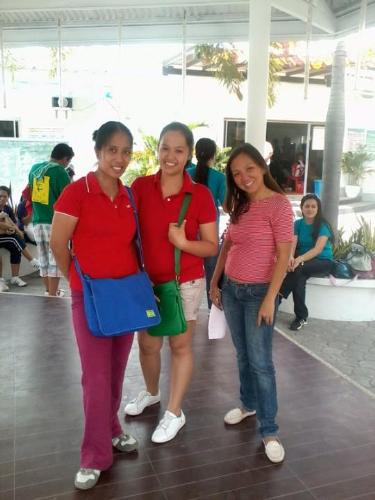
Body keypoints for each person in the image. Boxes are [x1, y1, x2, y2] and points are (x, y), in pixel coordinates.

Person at [50, 121, 139, 490]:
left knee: (117, 371)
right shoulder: (76, 192)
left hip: (127, 296)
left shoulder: (129, 195)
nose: (119, 159)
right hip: (89, 298)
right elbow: (58, 244)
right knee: (96, 377)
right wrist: (79, 281)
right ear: (98, 151)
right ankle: (93, 455)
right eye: (112, 150)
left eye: (125, 152)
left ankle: (113, 427)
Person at [124, 122, 218, 443]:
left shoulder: (201, 195)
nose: (170, 156)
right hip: (147, 283)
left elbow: (211, 245)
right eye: (165, 148)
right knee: (148, 345)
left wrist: (184, 243)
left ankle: (175, 412)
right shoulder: (140, 187)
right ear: (158, 149)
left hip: (185, 282)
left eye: (179, 150)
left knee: (179, 346)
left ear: (189, 154)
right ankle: (151, 393)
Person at [209, 143, 293, 464]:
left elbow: (284, 255)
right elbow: (228, 244)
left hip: (260, 293)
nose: (244, 177)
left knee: (261, 362)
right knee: (243, 355)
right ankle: (248, 404)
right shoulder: (240, 205)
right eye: (236, 173)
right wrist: (215, 281)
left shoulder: (279, 205)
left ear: (262, 167)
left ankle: (269, 429)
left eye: (249, 169)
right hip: (232, 290)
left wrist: (270, 298)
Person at [279, 193, 334, 331]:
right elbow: (293, 242)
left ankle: (277, 296)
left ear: (318, 208)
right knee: (298, 280)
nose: (310, 209)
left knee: (299, 270)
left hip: (323, 262)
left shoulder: (323, 226)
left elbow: (317, 250)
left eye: (313, 206)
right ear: (302, 208)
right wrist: (291, 257)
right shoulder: (297, 224)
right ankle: (301, 317)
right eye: (307, 206)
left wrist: (298, 259)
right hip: (303, 263)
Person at [29, 143, 73, 296]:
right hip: (54, 221)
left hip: (37, 220)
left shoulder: (34, 169)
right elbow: (68, 198)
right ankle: (53, 295)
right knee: (54, 260)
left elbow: (30, 192)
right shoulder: (60, 171)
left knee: (43, 258)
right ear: (65, 159)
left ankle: (48, 291)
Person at [187, 138, 226, 308]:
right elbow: (226, 205)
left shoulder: (185, 173)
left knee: (185, 271)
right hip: (209, 232)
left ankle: (182, 311)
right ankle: (213, 311)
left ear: (194, 153)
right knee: (212, 273)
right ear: (213, 155)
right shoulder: (219, 177)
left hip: (187, 230)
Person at [0, 185, 39, 291]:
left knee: (16, 247)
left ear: (8, 198)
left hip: (4, 236)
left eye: (5, 196)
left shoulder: (7, 208)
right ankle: (32, 261)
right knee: (14, 239)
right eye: (0, 196)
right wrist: (9, 228)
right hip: (3, 236)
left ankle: (15, 277)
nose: (2, 198)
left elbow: (13, 223)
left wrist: (12, 229)